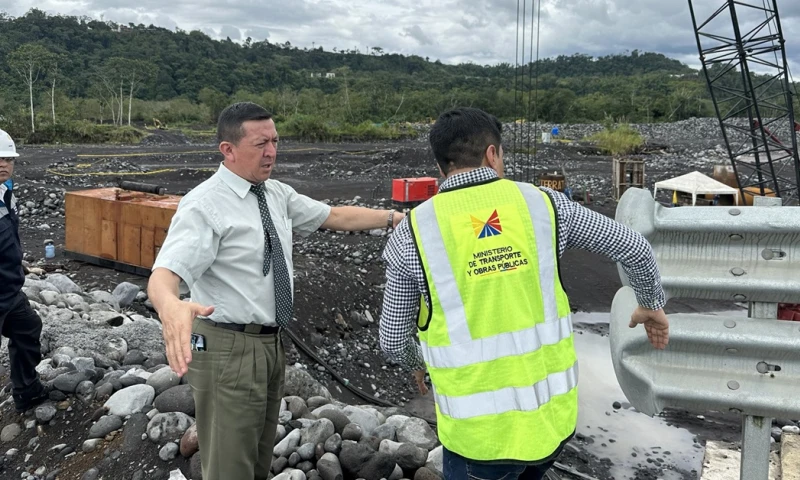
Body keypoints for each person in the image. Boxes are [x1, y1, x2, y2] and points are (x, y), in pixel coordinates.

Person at [379, 107, 669, 480]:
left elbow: (391, 340)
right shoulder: (544, 205)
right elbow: (633, 246)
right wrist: (650, 305)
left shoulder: (413, 232)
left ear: (441, 166)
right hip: (550, 428)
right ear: (492, 153)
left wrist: (417, 362)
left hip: (478, 443)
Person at [147, 102, 404, 480]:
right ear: (228, 150)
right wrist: (170, 306)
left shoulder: (275, 194)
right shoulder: (204, 205)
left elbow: (333, 215)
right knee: (230, 465)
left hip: (269, 343)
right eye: (260, 144)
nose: (271, 152)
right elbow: (164, 274)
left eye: (275, 141)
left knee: (259, 458)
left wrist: (395, 219)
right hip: (226, 346)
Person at [0, 129, 49, 413]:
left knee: (28, 327)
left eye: (8, 158)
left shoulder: (7, 192)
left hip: (9, 289)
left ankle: (27, 390)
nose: (3, 164)